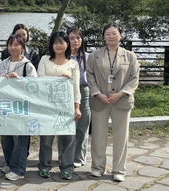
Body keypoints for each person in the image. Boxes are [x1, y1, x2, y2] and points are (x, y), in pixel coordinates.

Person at [86, 24, 139, 182]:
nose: (111, 36)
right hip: (99, 100)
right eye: (107, 34)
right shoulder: (94, 55)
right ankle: (97, 168)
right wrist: (97, 93)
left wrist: (121, 93)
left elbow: (134, 78)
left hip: (121, 100)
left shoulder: (130, 56)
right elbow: (89, 75)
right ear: (103, 37)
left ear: (120, 36)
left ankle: (118, 170)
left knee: (121, 137)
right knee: (98, 136)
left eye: (114, 33)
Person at [37, 31, 81, 181]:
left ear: (67, 44)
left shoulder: (73, 64)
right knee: (46, 138)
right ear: (51, 45)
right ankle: (44, 166)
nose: (58, 45)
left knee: (68, 139)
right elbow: (40, 80)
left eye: (61, 42)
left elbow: (76, 88)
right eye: (55, 42)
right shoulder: (44, 60)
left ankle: (67, 168)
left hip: (67, 107)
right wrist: (59, 79)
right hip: (47, 106)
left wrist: (77, 107)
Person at [0, 34, 37, 181]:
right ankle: (10, 163)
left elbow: (34, 86)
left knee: (20, 138)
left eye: (16, 44)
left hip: (22, 107)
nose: (13, 47)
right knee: (6, 137)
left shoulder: (27, 65)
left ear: (22, 47)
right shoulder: (2, 64)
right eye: (10, 44)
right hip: (5, 106)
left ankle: (18, 169)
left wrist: (18, 80)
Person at [67, 29, 90, 168]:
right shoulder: (63, 56)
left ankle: (79, 157)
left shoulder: (88, 56)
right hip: (67, 91)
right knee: (68, 125)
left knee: (83, 125)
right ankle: (65, 155)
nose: (75, 41)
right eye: (71, 38)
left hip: (84, 90)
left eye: (78, 38)